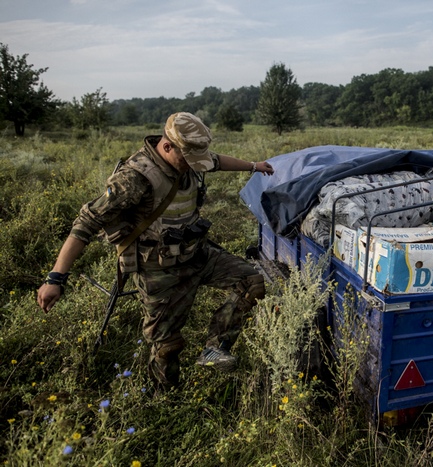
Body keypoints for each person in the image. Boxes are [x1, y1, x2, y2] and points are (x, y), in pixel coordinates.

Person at [37, 112, 274, 391]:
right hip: (158, 270)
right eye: (188, 160)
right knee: (167, 344)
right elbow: (86, 223)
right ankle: (166, 398)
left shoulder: (189, 157)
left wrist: (254, 166)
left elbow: (216, 162)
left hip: (197, 254)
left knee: (252, 281)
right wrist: (56, 278)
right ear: (167, 146)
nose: (193, 166)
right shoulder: (135, 178)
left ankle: (215, 348)